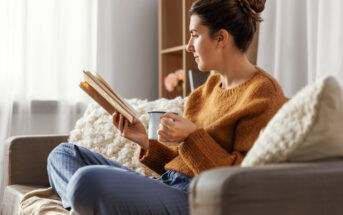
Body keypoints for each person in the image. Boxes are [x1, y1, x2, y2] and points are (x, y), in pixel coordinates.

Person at [47, 0, 288, 214]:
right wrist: (144, 140)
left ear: (221, 38)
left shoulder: (262, 93)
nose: (188, 46)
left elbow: (242, 183)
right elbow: (182, 164)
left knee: (86, 181)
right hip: (169, 184)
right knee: (63, 154)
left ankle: (87, 204)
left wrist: (192, 136)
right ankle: (88, 207)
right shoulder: (203, 92)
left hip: (200, 199)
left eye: (194, 35)